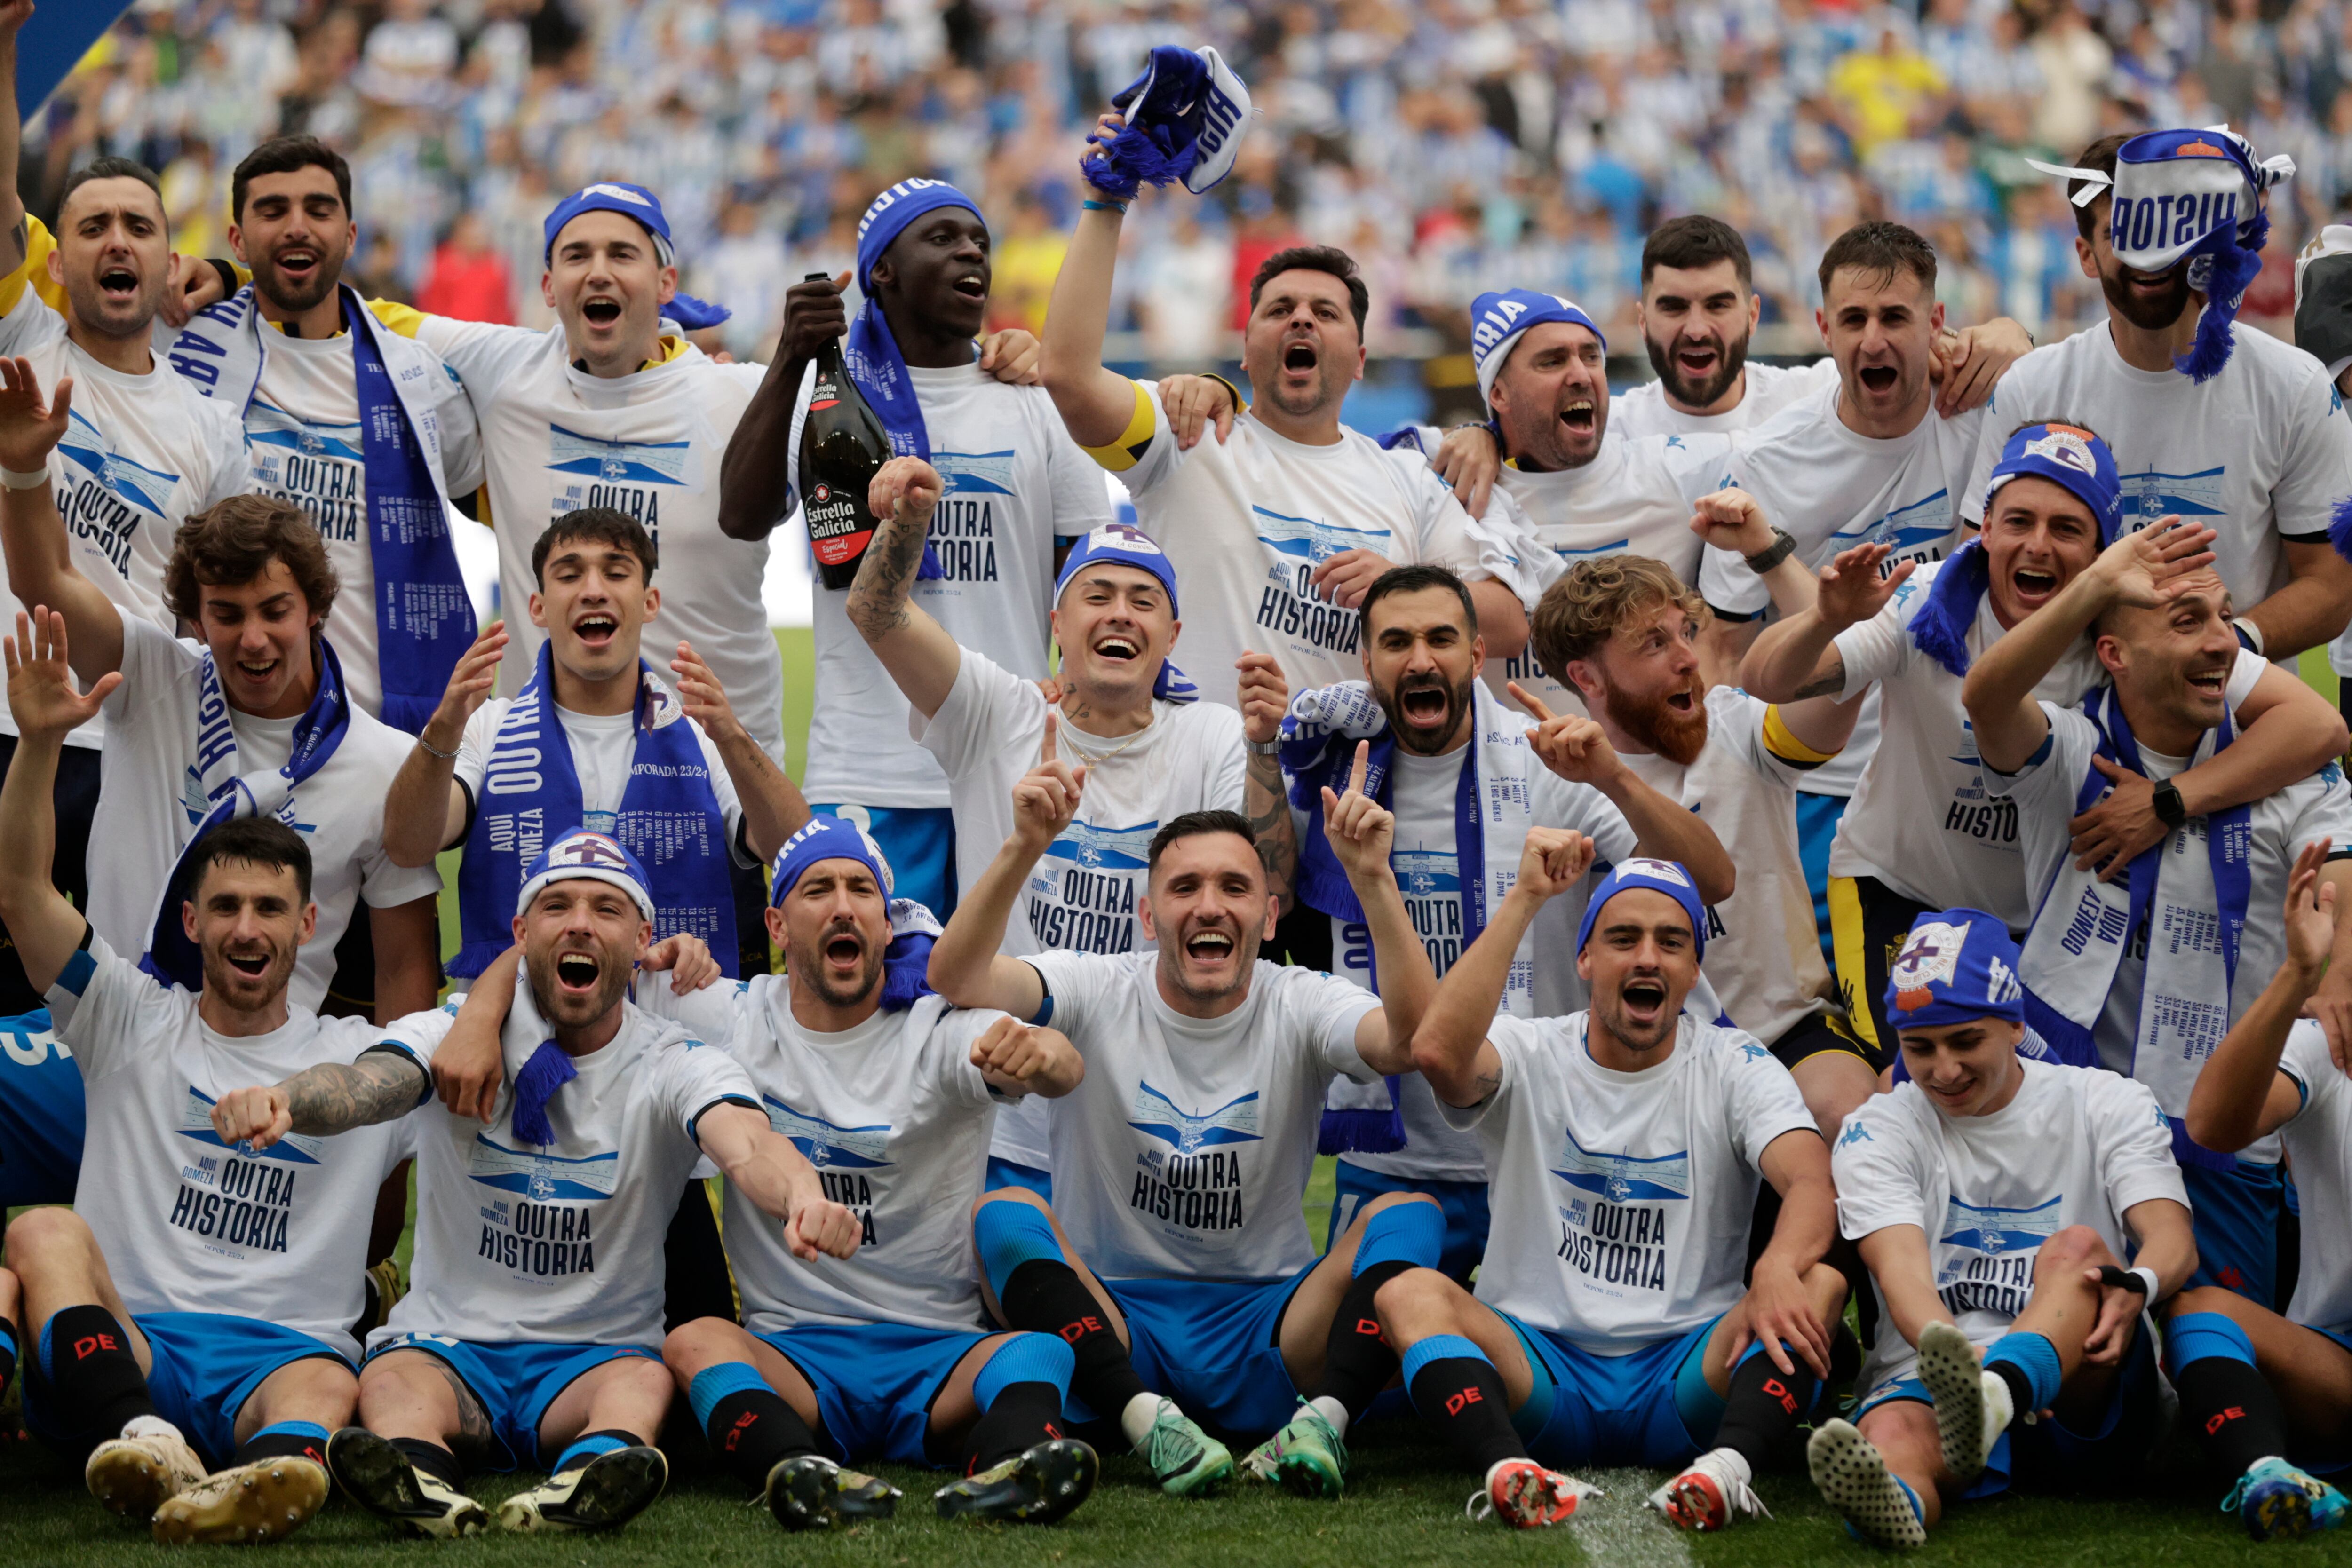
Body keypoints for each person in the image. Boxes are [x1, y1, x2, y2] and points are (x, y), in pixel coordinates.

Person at [207, 828, 865, 1537]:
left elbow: (747, 1142)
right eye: (557, 905)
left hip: (593, 1357)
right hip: (450, 1346)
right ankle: (419, 1479)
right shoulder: (456, 1032)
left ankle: (588, 1475)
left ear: (642, 937)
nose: (580, 921)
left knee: (641, 1381)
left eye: (607, 909)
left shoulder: (675, 1060)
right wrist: (288, 1100)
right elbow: (368, 1083)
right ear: (522, 932)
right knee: (392, 1380)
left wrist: (802, 1193)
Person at [0, 607, 421, 1545]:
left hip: (280, 1353)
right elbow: (25, 892)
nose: (245, 927)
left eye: (269, 907)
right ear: (189, 924)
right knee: (41, 1230)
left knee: (332, 1376)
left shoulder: (358, 1055)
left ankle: (266, 1470)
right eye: (224, 905)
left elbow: (460, 1043)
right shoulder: (125, 1015)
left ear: (307, 924)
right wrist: (39, 743)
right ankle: (143, 1438)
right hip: (133, 1344)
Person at [1740, 423, 2346, 1062]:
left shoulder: (2127, 615)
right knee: (1924, 1077)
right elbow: (1767, 680)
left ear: (2101, 551)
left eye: (2066, 528)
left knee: (2030, 1106)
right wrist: (1825, 620)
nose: (2038, 545)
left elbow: (2320, 726)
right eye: (2019, 521)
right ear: (1986, 531)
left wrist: (2169, 800)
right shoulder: (1929, 598)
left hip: (2046, 919)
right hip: (1903, 891)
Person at [926, 778, 1448, 1503]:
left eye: (1235, 886)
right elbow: (956, 976)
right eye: (1184, 887)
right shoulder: (1098, 983)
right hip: (1112, 1327)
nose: (1209, 904)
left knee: (1411, 1215)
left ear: (1269, 917)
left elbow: (1411, 1041)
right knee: (1003, 1214)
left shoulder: (1297, 999)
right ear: (1149, 913)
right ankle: (1148, 1423)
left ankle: (1323, 1420)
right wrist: (1025, 845)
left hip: (1269, 1326)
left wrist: (1374, 881)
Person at [644, 816, 1098, 1528]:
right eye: (818, 888)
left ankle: (1007, 1465)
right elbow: (595, 982)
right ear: (778, 923)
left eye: (862, 890)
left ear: (887, 927)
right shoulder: (731, 1015)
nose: (843, 905)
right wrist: (666, 954)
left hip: (939, 1350)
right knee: (695, 1341)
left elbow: (1056, 1059)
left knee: (1038, 1349)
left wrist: (1044, 1057)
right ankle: (796, 1470)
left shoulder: (937, 1029)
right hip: (795, 1356)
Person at [1282, 562, 1733, 1271]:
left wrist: (1613, 775)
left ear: (1477, 655)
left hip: (1539, 1143)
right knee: (1373, 1366)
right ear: (1368, 661)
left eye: (1442, 638)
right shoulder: (1333, 770)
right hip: (1395, 1157)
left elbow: (1710, 881)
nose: (1422, 658)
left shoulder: (1548, 765)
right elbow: (1263, 890)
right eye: (1397, 642)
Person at [1381, 856, 1846, 1533]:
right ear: (1586, 958)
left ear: (1694, 969)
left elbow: (1810, 1178)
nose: (1648, 958)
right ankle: (1510, 1470)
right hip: (1540, 1368)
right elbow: (1440, 1056)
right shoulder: (1531, 1047)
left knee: (1821, 1283)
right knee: (1406, 1294)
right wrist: (1527, 896)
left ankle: (1725, 1471)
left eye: (1672, 941)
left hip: (1685, 1372)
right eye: (1624, 938)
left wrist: (1775, 1267)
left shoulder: (1734, 1063)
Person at [847, 455, 1275, 1191]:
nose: (1119, 612)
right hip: (1008, 1106)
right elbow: (877, 612)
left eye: (1144, 601)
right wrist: (909, 524)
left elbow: (1270, 888)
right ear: (1058, 622)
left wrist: (1265, 748)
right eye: (1097, 594)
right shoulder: (999, 712)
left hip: (1152, 1106)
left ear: (1172, 635)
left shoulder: (1213, 735)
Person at [1962, 531, 2352, 1307]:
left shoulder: (2280, 761)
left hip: (2223, 1142)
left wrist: (2173, 802)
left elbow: (2340, 864)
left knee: (2207, 1341)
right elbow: (1986, 697)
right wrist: (2098, 578)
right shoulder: (2073, 750)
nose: (2224, 644)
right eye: (2187, 622)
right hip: (2069, 1123)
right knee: (2075, 1323)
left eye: (2228, 619)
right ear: (2113, 652)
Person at [1039, 111, 1529, 712]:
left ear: (1360, 359)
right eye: (1278, 310)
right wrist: (1106, 204)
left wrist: (1404, 591)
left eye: (1325, 313)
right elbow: (1066, 375)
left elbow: (1509, 623)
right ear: (1244, 351)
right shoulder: (1187, 434)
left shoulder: (1406, 481)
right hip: (1202, 790)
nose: (1300, 318)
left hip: (1351, 795)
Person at [0, 364, 442, 1024]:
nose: (254, 639)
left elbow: (404, 966)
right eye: (228, 615)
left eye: (275, 610)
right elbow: (48, 585)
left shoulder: (384, 763)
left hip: (263, 1090)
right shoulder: (152, 675)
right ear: (197, 619)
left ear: (315, 607)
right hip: (106, 1046)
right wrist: (25, 473)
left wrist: (393, 1111)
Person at [716, 178, 1110, 917]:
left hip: (1016, 770)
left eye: (980, 241)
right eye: (942, 237)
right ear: (882, 272)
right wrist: (789, 360)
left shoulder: (1035, 398)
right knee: (878, 1011)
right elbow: (741, 514)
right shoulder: (825, 396)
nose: (971, 250)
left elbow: (1085, 573)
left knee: (1011, 1014)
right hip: (870, 776)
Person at [0, 3, 250, 1012]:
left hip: (137, 756)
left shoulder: (210, 428)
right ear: (54, 262)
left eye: (138, 227)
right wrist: (8, 40)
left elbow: (219, 617)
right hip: (8, 727)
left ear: (166, 263)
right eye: (90, 225)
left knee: (115, 1025)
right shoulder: (25, 339)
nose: (115, 240)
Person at [1811, 912, 2195, 1549]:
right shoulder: (1877, 1127)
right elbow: (1902, 1275)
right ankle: (1896, 1499)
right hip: (1944, 1379)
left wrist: (2140, 1282)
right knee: (1887, 1440)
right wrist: (1961, 1365)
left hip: (2084, 1380)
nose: (1944, 1069)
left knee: (2075, 1250)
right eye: (1920, 1047)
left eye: (1966, 1041)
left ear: (2017, 1023)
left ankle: (1997, 1395)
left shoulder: (2106, 1100)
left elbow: (2172, 1237)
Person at [1694, 221, 2003, 957]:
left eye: (1896, 317)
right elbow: (1728, 656)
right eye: (1855, 320)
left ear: (1936, 325)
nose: (1874, 341)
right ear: (1823, 328)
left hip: (1965, 777)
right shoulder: (1769, 462)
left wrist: (2011, 336)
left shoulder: (1990, 417)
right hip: (1823, 786)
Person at [1538, 514, 1868, 1136]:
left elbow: (1838, 690)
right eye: (1654, 643)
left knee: (1854, 1116)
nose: (1689, 659)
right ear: (1587, 678)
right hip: (1642, 1052)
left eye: (1684, 632)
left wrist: (1830, 616)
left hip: (1781, 1029)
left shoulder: (1735, 724)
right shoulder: (1557, 783)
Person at [1969, 131, 2352, 667]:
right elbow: (1981, 567)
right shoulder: (2030, 388)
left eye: (2163, 227)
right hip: (2070, 733)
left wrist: (2223, 648)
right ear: (2084, 254)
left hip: (2241, 727)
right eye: (2121, 234)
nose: (2148, 255)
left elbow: (2331, 586)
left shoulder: (2292, 387)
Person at [379, 507, 808, 984]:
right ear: (538, 607)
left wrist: (731, 736)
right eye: (569, 574)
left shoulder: (701, 738)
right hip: (512, 1028)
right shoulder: (489, 728)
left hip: (669, 1032)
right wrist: (441, 729)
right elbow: (406, 845)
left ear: (649, 602)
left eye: (616, 572)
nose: (593, 590)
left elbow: (796, 849)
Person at [161, 135, 484, 739]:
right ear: (236, 239)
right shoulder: (181, 343)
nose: (297, 227)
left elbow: (489, 480)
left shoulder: (417, 378)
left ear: (350, 234)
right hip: (211, 728)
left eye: (318, 209)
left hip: (371, 736)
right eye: (273, 210)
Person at [1371, 290, 1728, 720]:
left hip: (1649, 775)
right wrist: (1479, 431)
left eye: (1591, 356)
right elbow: (1337, 453)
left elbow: (1801, 447)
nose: (1581, 375)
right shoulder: (1444, 480)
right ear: (1498, 394)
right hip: (1508, 780)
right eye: (1553, 361)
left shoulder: (1674, 472)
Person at [2163, 840, 2352, 1540]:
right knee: (2203, 1308)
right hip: (2337, 1370)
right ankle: (2270, 1473)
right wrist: (2298, 975)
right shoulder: (2335, 1039)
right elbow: (2212, 1125)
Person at [1612, 215, 2027, 443]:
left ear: (1754, 315)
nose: (1697, 329)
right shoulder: (1613, 432)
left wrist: (2016, 337)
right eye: (1674, 308)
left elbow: (1920, 347)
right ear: (1643, 321)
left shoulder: (1824, 393)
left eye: (1719, 305)